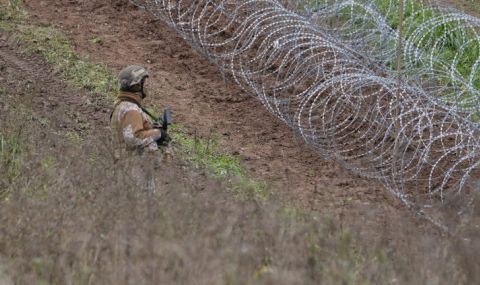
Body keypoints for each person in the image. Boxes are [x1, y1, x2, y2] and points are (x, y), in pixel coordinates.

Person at [111, 65, 169, 160]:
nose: (146, 86)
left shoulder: (122, 105)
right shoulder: (131, 109)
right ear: (137, 85)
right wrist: (158, 133)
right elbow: (134, 137)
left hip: (128, 166)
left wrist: (151, 129)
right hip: (135, 167)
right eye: (144, 82)